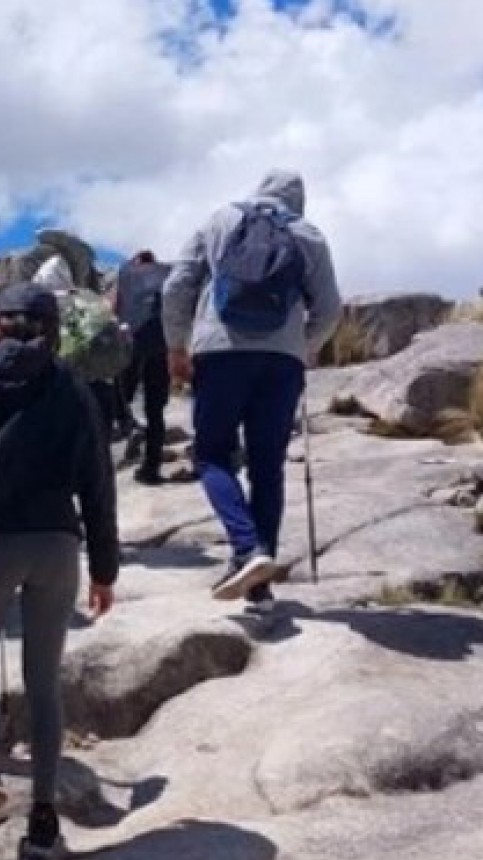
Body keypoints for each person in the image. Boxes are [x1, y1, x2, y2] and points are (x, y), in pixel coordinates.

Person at [0, 284, 119, 860]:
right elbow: (97, 482)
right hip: (58, 543)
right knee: (43, 680)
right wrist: (105, 567)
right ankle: (42, 818)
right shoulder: (73, 389)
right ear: (51, 327)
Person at [162, 170, 342, 610]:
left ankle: (247, 549)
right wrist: (305, 347)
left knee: (211, 455)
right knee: (267, 467)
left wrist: (176, 345)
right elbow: (330, 308)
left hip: (220, 351)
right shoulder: (308, 235)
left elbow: (177, 284)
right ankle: (259, 586)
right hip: (282, 361)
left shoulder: (221, 219)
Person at [111, 249, 172, 483]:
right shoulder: (167, 274)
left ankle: (126, 429)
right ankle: (151, 468)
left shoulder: (125, 274)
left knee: (119, 395)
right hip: (161, 344)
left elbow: (114, 308)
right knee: (155, 410)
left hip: (132, 344)